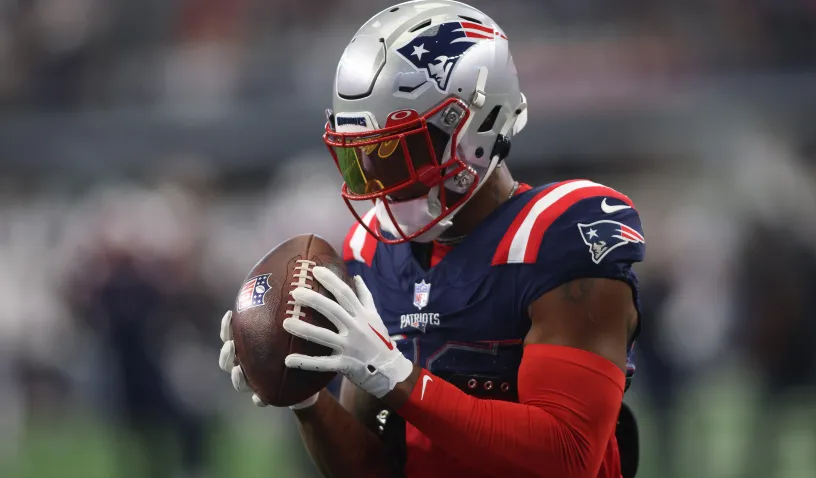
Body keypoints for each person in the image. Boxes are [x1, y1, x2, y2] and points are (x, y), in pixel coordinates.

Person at [218, 1, 645, 477]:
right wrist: (305, 396)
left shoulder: (558, 230)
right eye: (365, 160)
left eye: (400, 153)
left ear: (477, 125)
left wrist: (399, 379)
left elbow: (567, 458)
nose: (382, 183)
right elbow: (375, 468)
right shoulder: (373, 250)